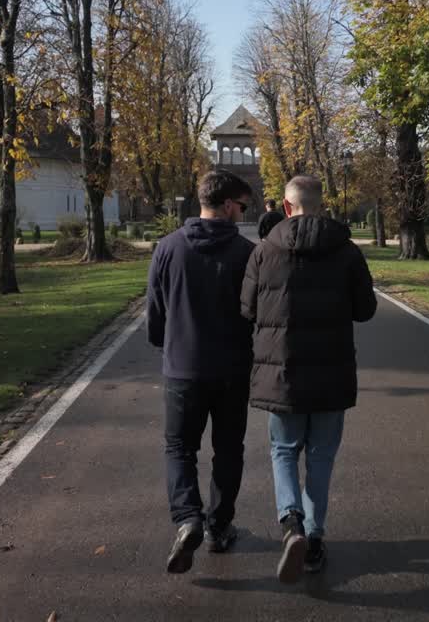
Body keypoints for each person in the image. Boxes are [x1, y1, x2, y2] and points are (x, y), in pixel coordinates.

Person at [240, 175, 377, 583]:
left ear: (285, 206)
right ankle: (314, 540)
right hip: (332, 372)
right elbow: (365, 309)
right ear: (321, 204)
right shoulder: (347, 252)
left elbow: (246, 308)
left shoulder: (264, 252)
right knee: (321, 456)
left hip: (280, 372)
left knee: (283, 449)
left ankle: (291, 522)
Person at [147, 170, 255, 574]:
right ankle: (219, 525)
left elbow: (155, 311)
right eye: (241, 205)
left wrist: (165, 341)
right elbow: (256, 311)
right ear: (227, 205)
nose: (242, 211)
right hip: (232, 368)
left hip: (183, 367)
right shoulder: (246, 253)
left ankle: (187, 518)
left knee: (179, 447)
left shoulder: (168, 248)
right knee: (228, 449)